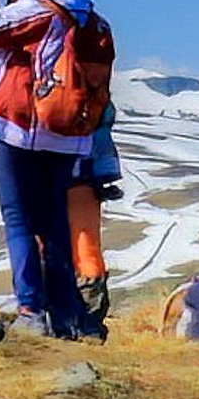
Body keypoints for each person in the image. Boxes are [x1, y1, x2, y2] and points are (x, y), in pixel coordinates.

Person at [0, 0, 113, 339]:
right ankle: (68, 316)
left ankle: (30, 309)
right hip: (69, 136)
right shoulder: (95, 24)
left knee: (20, 220)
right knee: (55, 225)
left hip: (21, 126)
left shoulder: (37, 14)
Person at [69, 104, 123, 340]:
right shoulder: (94, 74)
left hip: (48, 156)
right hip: (91, 165)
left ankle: (51, 315)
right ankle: (90, 319)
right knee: (87, 243)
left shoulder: (44, 71)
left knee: (45, 241)